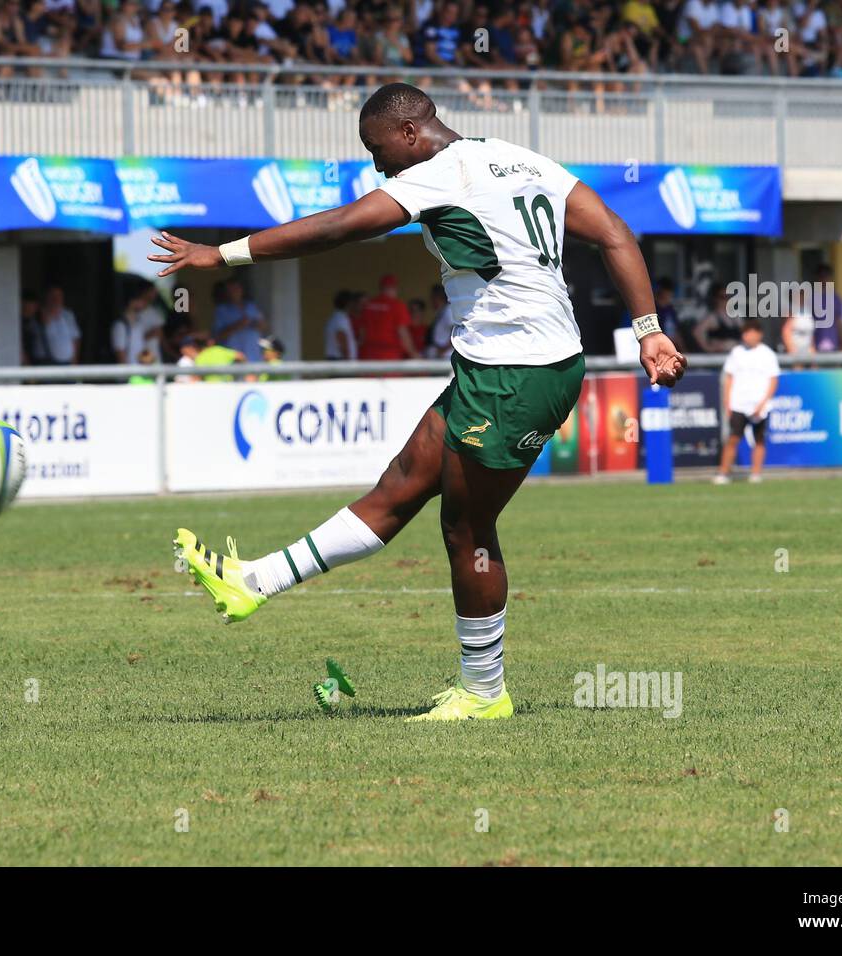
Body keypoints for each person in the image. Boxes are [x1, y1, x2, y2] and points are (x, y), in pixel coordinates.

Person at [149, 83, 686, 722]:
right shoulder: (524, 160)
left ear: (409, 132)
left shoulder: (439, 173)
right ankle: (252, 584)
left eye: (377, 151)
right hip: (499, 367)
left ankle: (484, 695)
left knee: (467, 528)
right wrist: (648, 330)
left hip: (518, 375)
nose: (377, 166)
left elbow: (341, 226)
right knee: (399, 489)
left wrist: (223, 253)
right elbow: (617, 234)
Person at [713, 318, 778, 485]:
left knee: (759, 439)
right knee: (733, 438)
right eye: (745, 333)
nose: (748, 336)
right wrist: (727, 402)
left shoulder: (767, 354)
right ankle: (723, 473)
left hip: (759, 404)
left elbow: (773, 380)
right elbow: (729, 378)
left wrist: (763, 403)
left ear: (759, 334)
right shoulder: (737, 353)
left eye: (751, 333)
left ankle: (756, 474)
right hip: (739, 403)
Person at [357, 273, 417, 360]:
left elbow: (362, 334)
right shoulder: (397, 306)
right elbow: (403, 333)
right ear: (394, 288)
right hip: (389, 355)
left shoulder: (368, 306)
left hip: (368, 355)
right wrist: (413, 354)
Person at [212, 277, 266, 361]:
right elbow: (218, 336)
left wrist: (256, 324)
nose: (235, 292)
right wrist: (239, 325)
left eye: (236, 288)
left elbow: (263, 326)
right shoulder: (221, 310)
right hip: (234, 360)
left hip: (254, 356)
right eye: (231, 289)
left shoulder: (251, 306)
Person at [39, 284, 81, 364]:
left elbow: (75, 337)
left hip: (67, 362)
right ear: (47, 297)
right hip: (47, 361)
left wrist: (75, 360)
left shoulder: (68, 314)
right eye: (53, 296)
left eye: (59, 296)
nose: (56, 299)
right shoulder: (40, 312)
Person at [324, 289, 359, 360]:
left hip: (337, 358)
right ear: (348, 303)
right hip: (340, 359)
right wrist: (347, 358)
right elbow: (341, 336)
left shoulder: (335, 317)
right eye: (353, 302)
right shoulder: (340, 318)